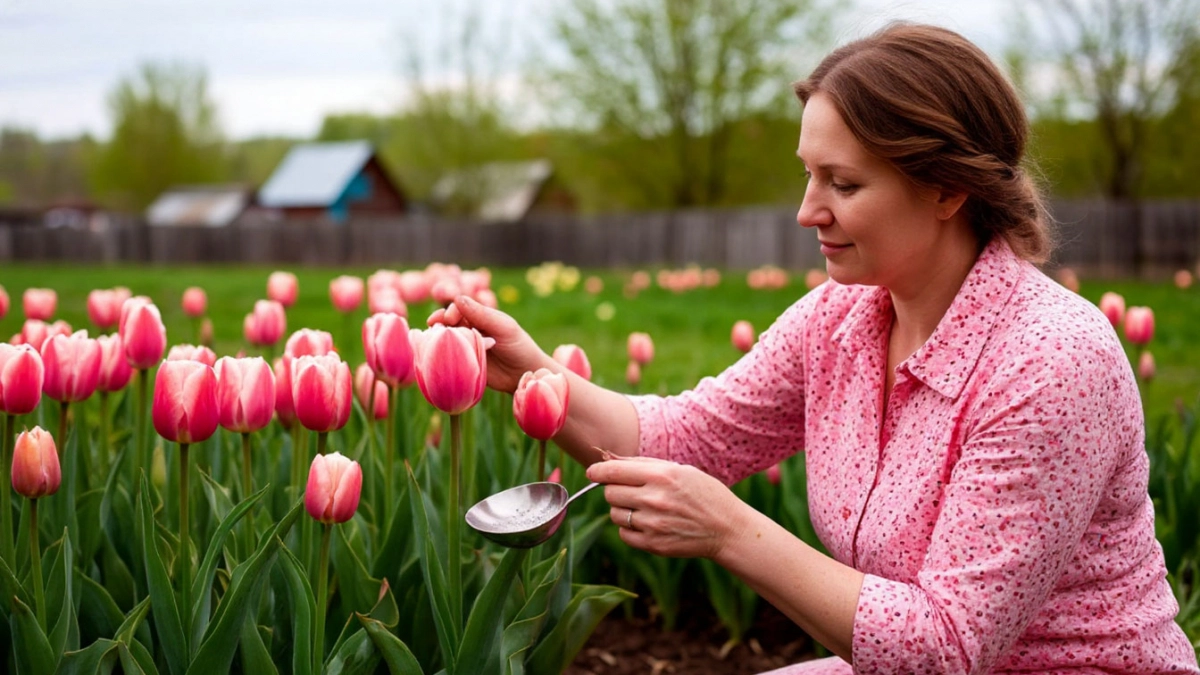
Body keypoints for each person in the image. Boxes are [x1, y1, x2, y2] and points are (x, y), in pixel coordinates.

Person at [431, 23, 1200, 674]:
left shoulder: (1047, 360)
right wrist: (533, 373)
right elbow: (690, 436)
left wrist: (732, 532)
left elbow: (948, 646)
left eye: (843, 183)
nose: (808, 212)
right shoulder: (842, 320)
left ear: (947, 189)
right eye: (808, 176)